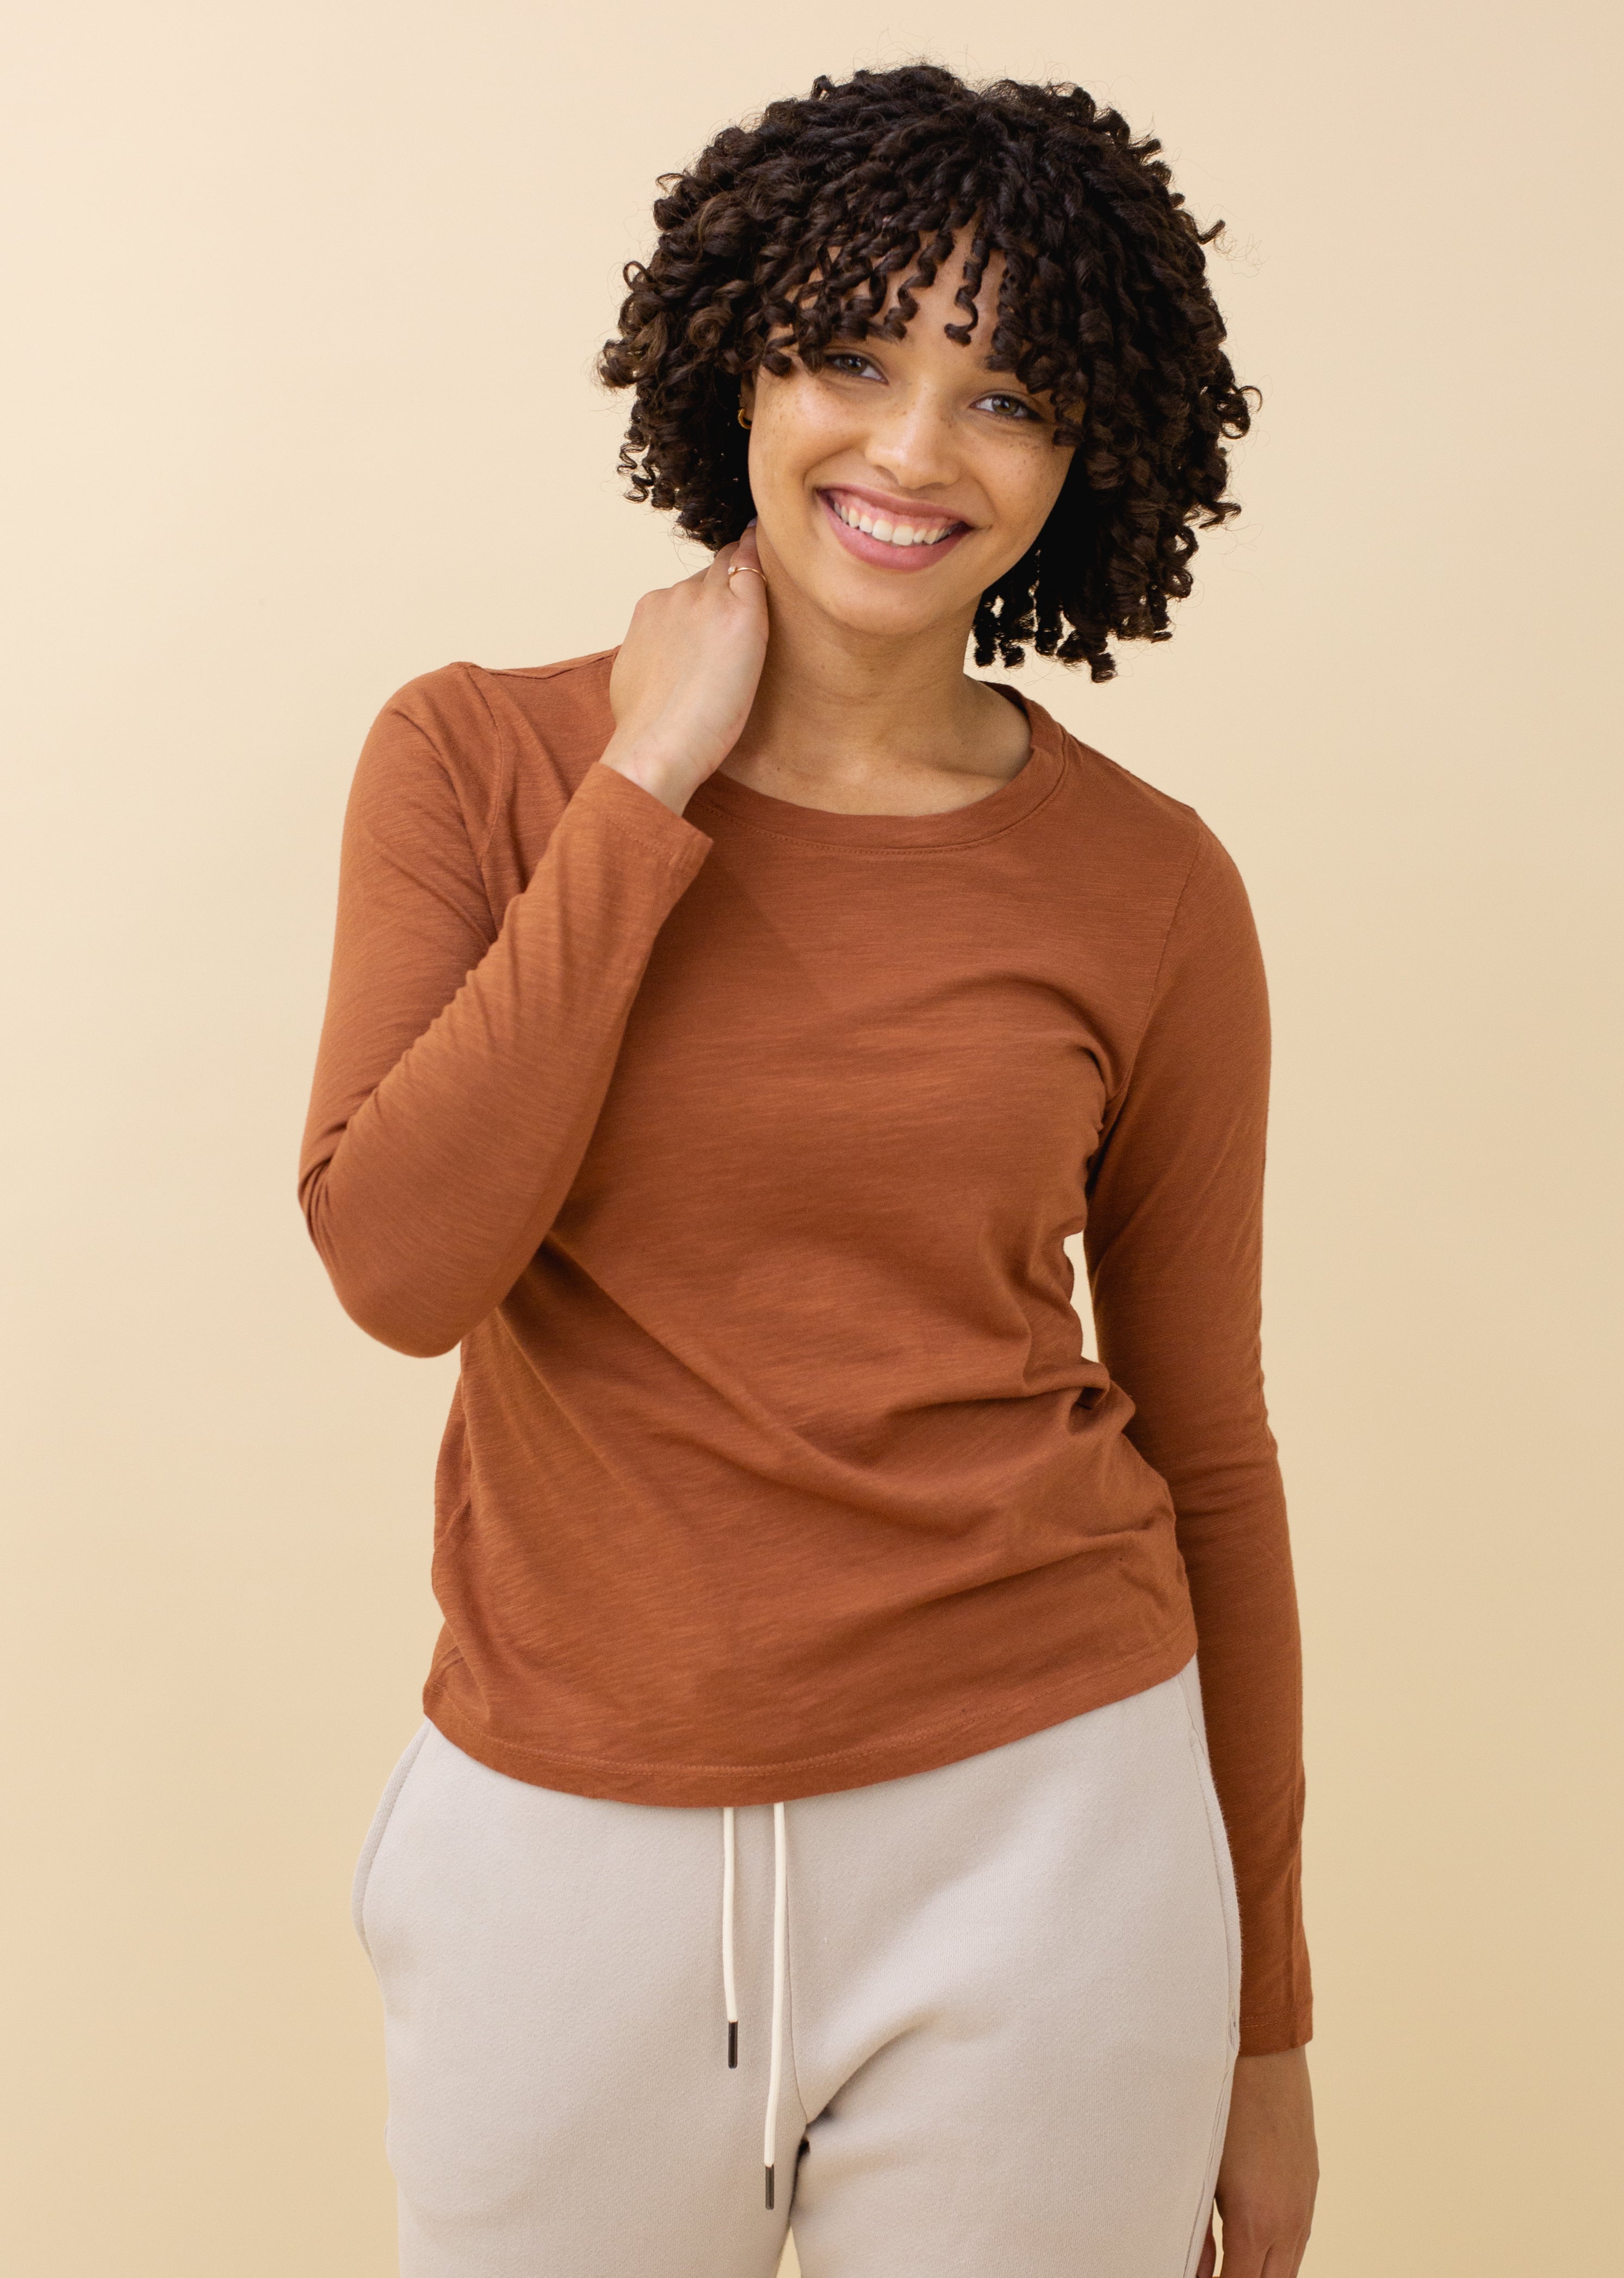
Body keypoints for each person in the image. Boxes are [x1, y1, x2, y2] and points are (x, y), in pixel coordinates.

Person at [300, 62, 1318, 2278]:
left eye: (1007, 393)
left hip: (1054, 1824)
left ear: (1089, 454)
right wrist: (647, 784)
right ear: (734, 358)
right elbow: (398, 1261)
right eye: (854, 354)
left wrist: (1271, 2027)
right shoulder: (482, 762)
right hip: (564, 1833)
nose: (913, 452)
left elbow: (1209, 1452)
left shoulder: (1148, 887)